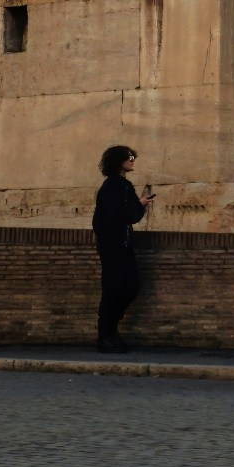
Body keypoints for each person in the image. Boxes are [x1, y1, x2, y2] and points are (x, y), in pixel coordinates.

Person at [93, 143, 150, 352]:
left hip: (118, 245)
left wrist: (139, 205)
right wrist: (140, 206)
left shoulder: (118, 185)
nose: (132, 160)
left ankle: (109, 333)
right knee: (116, 289)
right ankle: (106, 335)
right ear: (118, 161)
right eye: (128, 157)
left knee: (125, 288)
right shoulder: (115, 186)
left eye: (133, 157)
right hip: (115, 246)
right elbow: (124, 215)